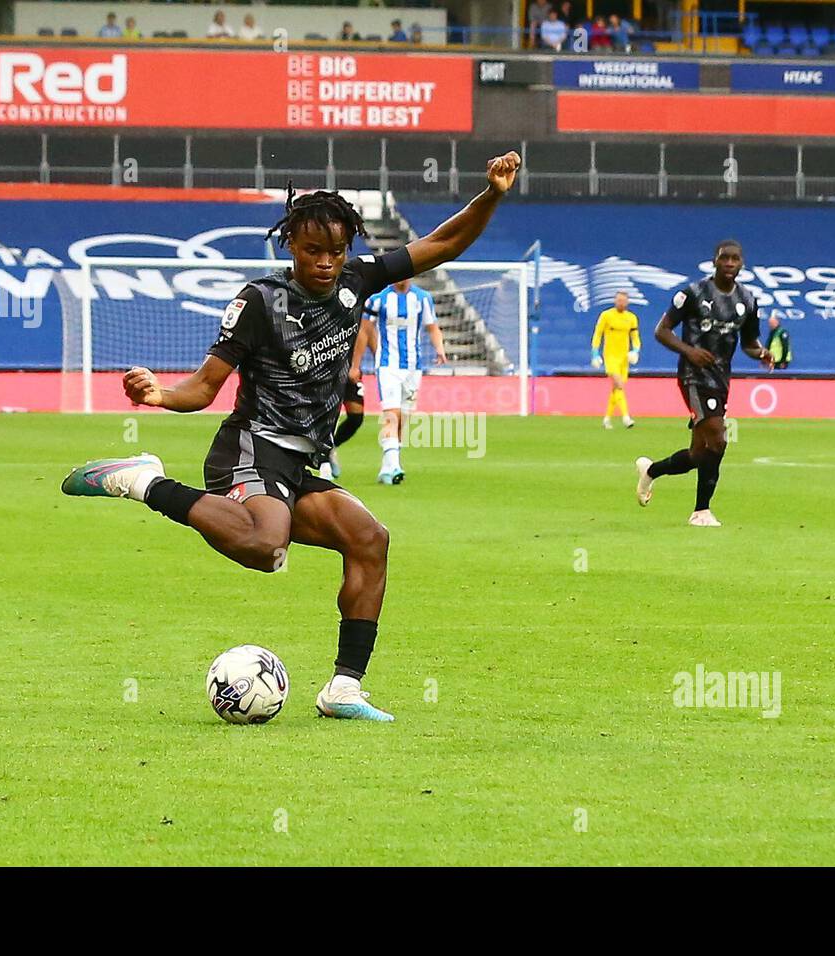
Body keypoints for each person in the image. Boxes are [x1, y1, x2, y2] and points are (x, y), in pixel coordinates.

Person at [60, 152, 522, 723]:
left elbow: (445, 245)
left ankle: (344, 690)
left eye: (336, 251)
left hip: (303, 461)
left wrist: (493, 194)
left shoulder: (359, 280)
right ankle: (145, 482)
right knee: (265, 547)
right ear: (291, 248)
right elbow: (206, 387)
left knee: (369, 539)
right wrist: (158, 394)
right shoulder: (259, 302)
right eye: (312, 251)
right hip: (250, 449)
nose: (326, 263)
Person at [634, 240, 772, 527]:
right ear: (715, 261)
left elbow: (748, 343)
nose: (730, 263)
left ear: (742, 263)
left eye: (735, 259)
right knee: (719, 439)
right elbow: (662, 331)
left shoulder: (747, 300)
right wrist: (689, 351)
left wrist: (761, 353)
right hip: (693, 376)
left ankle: (651, 471)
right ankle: (701, 511)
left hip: (721, 378)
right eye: (725, 258)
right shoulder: (694, 293)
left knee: (699, 453)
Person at [360, 279, 446, 484]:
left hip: (413, 368)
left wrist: (440, 348)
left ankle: (387, 467)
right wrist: (357, 362)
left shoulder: (423, 299)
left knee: (403, 418)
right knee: (392, 414)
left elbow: (432, 327)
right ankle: (395, 466)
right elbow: (364, 329)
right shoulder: (378, 299)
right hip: (388, 365)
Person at [319, 321, 378, 481]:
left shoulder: (361, 319)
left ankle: (331, 447)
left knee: (356, 418)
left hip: (350, 374)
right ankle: (323, 463)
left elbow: (367, 332)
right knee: (328, 417)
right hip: (327, 373)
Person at [591, 290, 640, 429]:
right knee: (619, 384)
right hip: (610, 356)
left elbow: (635, 338)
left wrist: (635, 351)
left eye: (623, 301)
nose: (621, 303)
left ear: (627, 302)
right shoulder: (606, 315)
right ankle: (626, 417)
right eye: (619, 300)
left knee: (616, 389)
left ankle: (607, 419)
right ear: (615, 301)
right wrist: (595, 353)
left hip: (623, 357)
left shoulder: (631, 318)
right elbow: (598, 334)